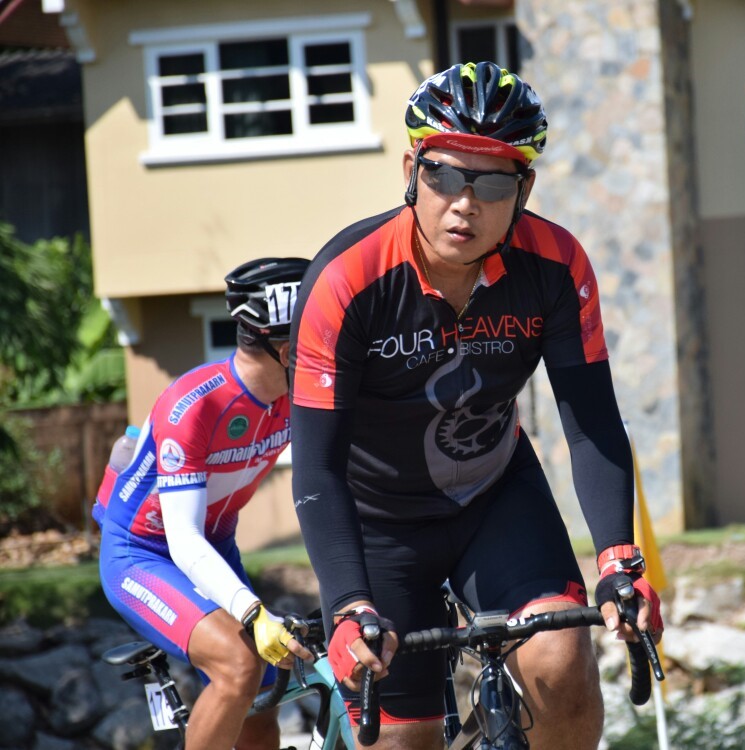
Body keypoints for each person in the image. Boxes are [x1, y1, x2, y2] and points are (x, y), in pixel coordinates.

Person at [289, 61, 664, 749]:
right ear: (412, 170)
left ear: (524, 190)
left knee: (563, 665)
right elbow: (317, 468)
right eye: (444, 176)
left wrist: (619, 561)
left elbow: (591, 427)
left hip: (495, 498)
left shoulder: (556, 265)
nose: (465, 204)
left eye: (492, 184)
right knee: (403, 740)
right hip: (378, 522)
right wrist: (347, 604)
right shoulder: (346, 280)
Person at [94, 257, 313, 750]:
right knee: (240, 666)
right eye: (318, 339)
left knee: (261, 710)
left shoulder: (297, 397)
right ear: (286, 351)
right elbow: (183, 538)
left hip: (215, 546)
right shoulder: (195, 404)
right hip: (143, 554)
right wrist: (252, 613)